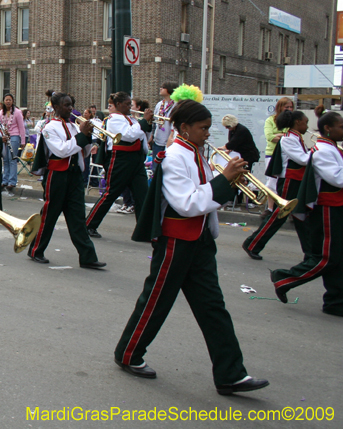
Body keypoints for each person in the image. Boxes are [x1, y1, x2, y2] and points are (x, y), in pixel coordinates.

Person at [114, 97, 269, 396]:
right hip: (176, 242)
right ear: (184, 128)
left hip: (199, 242)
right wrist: (224, 181)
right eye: (203, 128)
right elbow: (187, 203)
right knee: (156, 301)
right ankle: (128, 353)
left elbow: (203, 195)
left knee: (213, 308)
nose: (208, 134)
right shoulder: (173, 157)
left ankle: (231, 374)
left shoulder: (195, 153)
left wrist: (224, 180)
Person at [271, 111, 343, 316]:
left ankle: (336, 301)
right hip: (328, 208)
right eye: (341, 126)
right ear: (328, 128)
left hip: (337, 207)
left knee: (339, 258)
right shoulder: (322, 151)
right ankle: (283, 279)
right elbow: (337, 179)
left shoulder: (332, 148)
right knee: (326, 258)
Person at [27, 93, 106, 269]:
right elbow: (62, 151)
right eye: (66, 105)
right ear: (55, 107)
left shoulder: (74, 126)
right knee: (49, 215)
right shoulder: (49, 128)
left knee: (78, 217)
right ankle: (36, 250)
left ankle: (88, 257)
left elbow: (82, 153)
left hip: (75, 175)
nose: (70, 108)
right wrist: (81, 136)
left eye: (71, 105)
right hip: (57, 176)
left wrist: (87, 137)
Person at [242, 110, 309, 260]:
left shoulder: (296, 138)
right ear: (298, 123)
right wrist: (318, 151)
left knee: (301, 216)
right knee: (278, 216)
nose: (307, 126)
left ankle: (311, 253)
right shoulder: (288, 139)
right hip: (289, 181)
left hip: (296, 181)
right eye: (305, 122)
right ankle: (252, 243)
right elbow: (303, 159)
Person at [85, 92, 152, 238]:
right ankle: (89, 224)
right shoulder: (114, 119)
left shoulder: (132, 120)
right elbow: (128, 136)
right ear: (118, 105)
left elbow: (142, 137)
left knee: (143, 195)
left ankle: (144, 231)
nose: (129, 107)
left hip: (135, 160)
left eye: (130, 104)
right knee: (110, 194)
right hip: (120, 160)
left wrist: (148, 124)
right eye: (127, 104)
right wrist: (143, 122)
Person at [264, 97, 294, 214]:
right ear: (280, 108)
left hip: (288, 155)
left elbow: (286, 137)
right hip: (272, 154)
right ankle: (270, 208)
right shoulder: (270, 120)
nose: (289, 109)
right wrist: (285, 136)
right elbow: (270, 137)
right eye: (287, 107)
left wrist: (279, 135)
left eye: (291, 107)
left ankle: (286, 208)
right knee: (271, 182)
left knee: (286, 182)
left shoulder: (293, 121)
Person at [0, 94, 25, 195]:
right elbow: (0, 125)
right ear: (4, 101)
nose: (8, 102)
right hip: (5, 136)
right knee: (5, 159)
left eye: (10, 100)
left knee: (12, 158)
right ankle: (5, 180)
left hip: (14, 136)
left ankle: (12, 181)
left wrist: (23, 141)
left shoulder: (17, 112)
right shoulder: (1, 112)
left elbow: (21, 127)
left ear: (13, 101)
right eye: (6, 100)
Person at [151, 82, 178, 160]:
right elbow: (155, 122)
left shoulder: (176, 105)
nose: (160, 89)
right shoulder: (159, 104)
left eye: (163, 87)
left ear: (169, 89)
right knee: (155, 168)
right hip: (157, 141)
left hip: (171, 142)